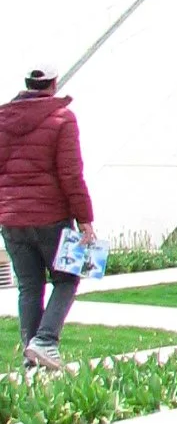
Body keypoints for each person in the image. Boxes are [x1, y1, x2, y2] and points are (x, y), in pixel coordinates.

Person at [0, 68, 94, 369]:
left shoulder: (3, 120)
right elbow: (71, 175)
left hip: (11, 218)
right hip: (51, 216)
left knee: (29, 286)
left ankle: (32, 356)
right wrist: (85, 219)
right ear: (53, 86)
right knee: (67, 278)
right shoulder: (62, 118)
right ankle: (45, 342)